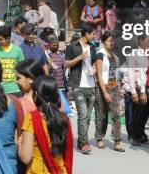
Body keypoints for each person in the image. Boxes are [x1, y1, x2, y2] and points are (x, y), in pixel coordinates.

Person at [19, 75, 73, 174]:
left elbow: (25, 157)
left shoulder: (32, 119)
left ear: (35, 94)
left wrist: (18, 142)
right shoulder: (64, 119)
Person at [64, 23, 97, 154]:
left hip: (91, 85)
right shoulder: (72, 47)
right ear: (87, 34)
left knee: (87, 116)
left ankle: (81, 141)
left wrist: (94, 69)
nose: (94, 36)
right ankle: (84, 143)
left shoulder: (93, 47)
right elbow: (66, 64)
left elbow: (94, 63)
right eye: (93, 34)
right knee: (83, 114)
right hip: (78, 85)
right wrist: (79, 57)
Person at [93, 31, 124, 152]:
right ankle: (99, 138)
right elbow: (99, 75)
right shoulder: (100, 55)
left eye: (112, 40)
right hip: (103, 86)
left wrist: (119, 88)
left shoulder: (114, 55)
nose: (111, 43)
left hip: (114, 86)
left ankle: (117, 141)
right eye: (109, 40)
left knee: (116, 113)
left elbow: (116, 73)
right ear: (103, 41)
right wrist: (105, 92)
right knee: (101, 113)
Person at [123, 34, 149, 146]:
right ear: (141, 41)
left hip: (145, 88)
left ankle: (139, 133)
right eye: (148, 40)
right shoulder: (134, 54)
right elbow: (130, 73)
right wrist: (133, 91)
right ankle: (133, 135)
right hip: (134, 88)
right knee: (131, 114)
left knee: (143, 113)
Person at [0, 25, 25, 95]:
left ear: (8, 38)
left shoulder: (18, 50)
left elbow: (22, 69)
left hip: (15, 89)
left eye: (0, 39)